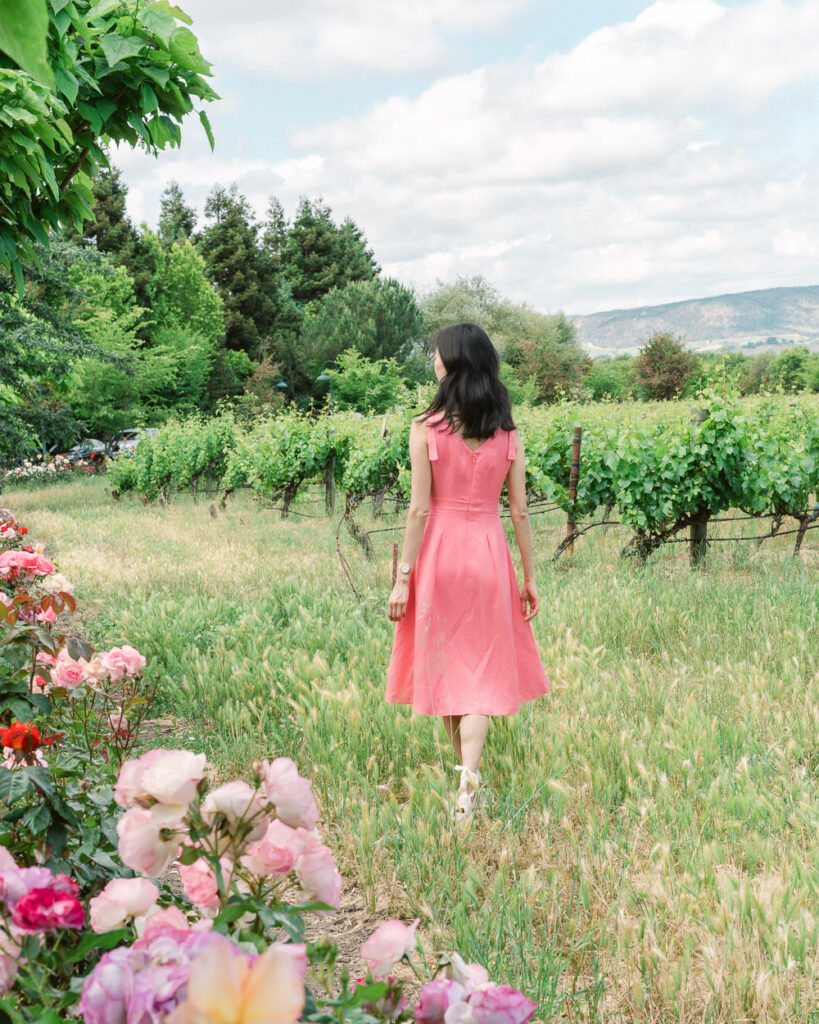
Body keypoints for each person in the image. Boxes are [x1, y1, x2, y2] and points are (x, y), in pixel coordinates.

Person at [386, 322, 550, 823]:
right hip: (489, 555)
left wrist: (401, 577)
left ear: (453, 363)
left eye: (437, 355)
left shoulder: (425, 427)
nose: (433, 363)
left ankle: (466, 790)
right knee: (478, 672)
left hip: (439, 555)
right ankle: (467, 790)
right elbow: (519, 511)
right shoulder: (508, 432)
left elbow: (417, 510)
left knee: (450, 671)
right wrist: (529, 575)